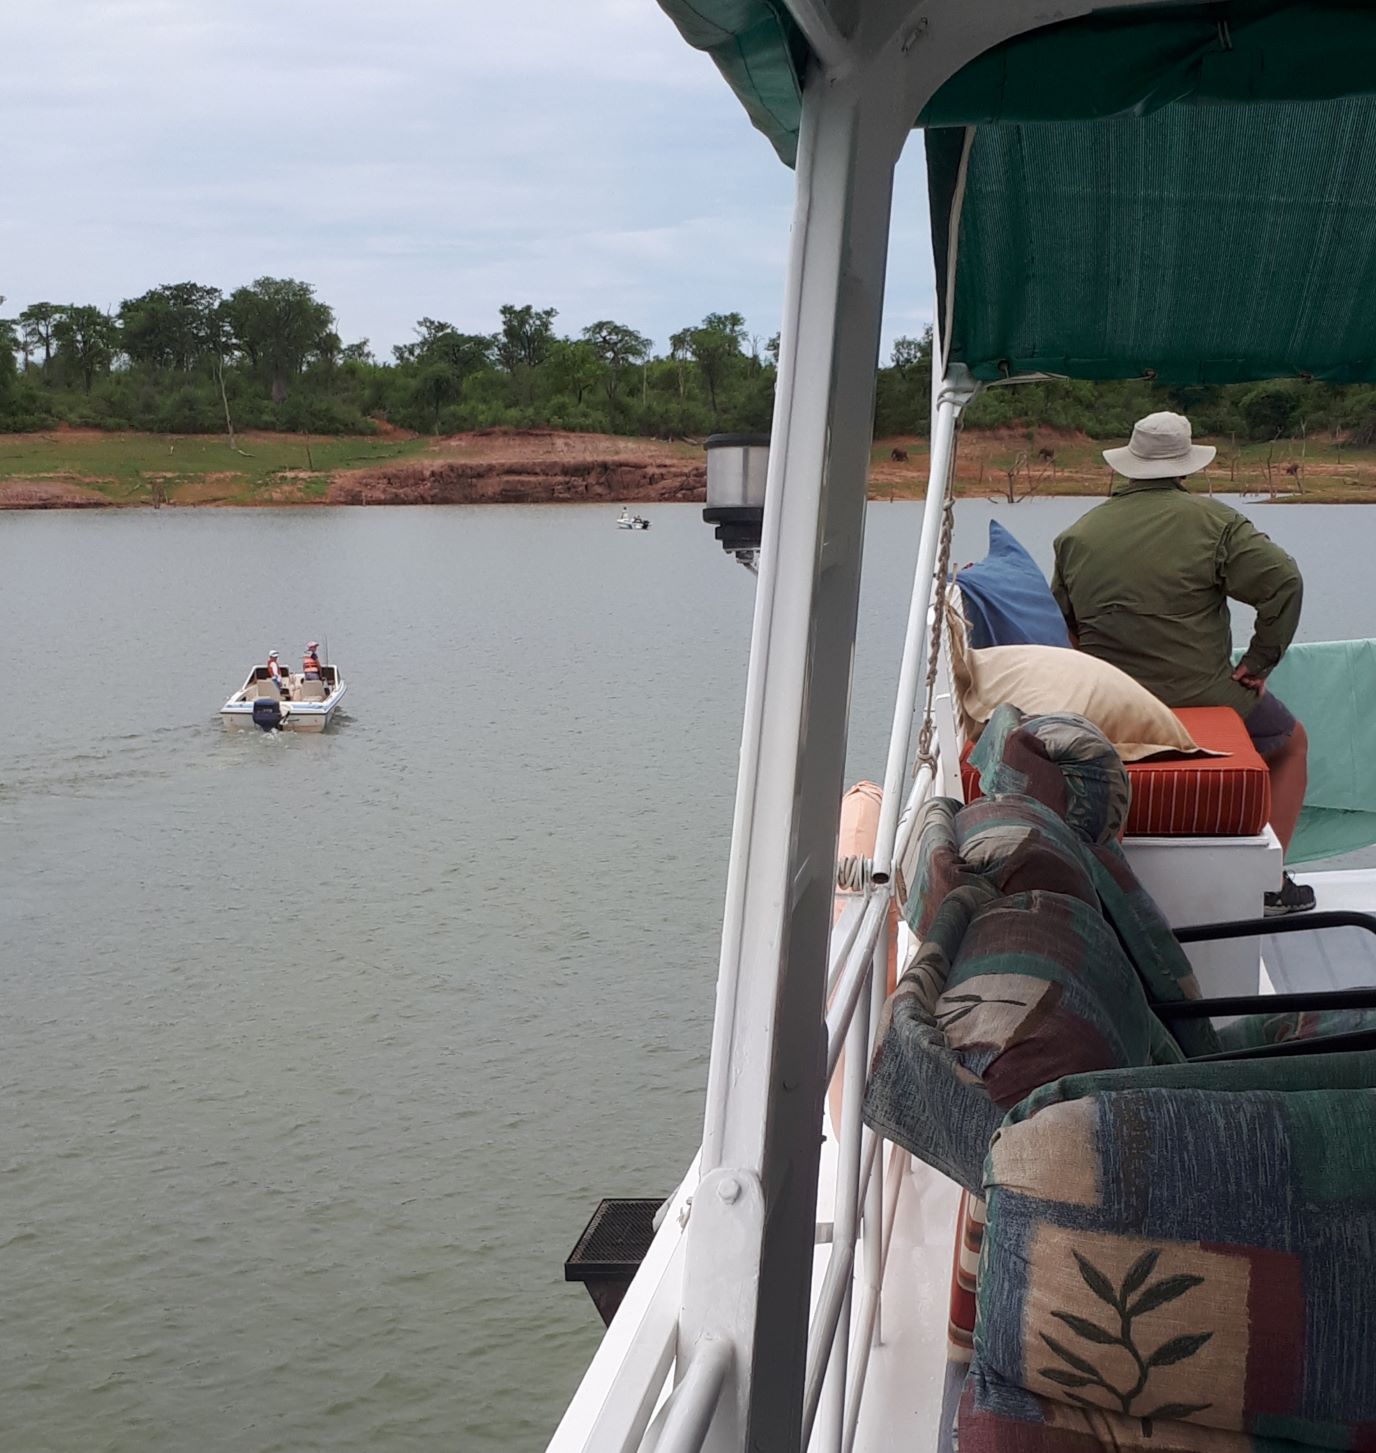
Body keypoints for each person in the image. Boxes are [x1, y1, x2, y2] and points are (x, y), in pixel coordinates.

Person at [1050, 411, 1313, 916]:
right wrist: (1258, 662)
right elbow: (1285, 583)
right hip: (1207, 698)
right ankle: (1269, 886)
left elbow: (1068, 630)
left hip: (1109, 706)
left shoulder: (1075, 537)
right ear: (1185, 468)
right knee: (1291, 745)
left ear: (1127, 465)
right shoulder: (1216, 523)